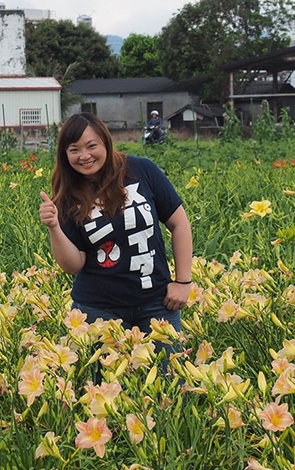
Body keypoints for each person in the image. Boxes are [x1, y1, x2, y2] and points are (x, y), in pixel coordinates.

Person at [38, 112, 193, 368]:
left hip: (156, 303)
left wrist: (183, 282)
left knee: (171, 390)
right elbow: (73, 265)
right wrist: (54, 226)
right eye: (74, 149)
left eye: (91, 146)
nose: (84, 156)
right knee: (101, 391)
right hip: (98, 310)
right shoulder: (67, 196)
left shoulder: (142, 170)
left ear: (106, 143)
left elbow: (179, 224)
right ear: (65, 155)